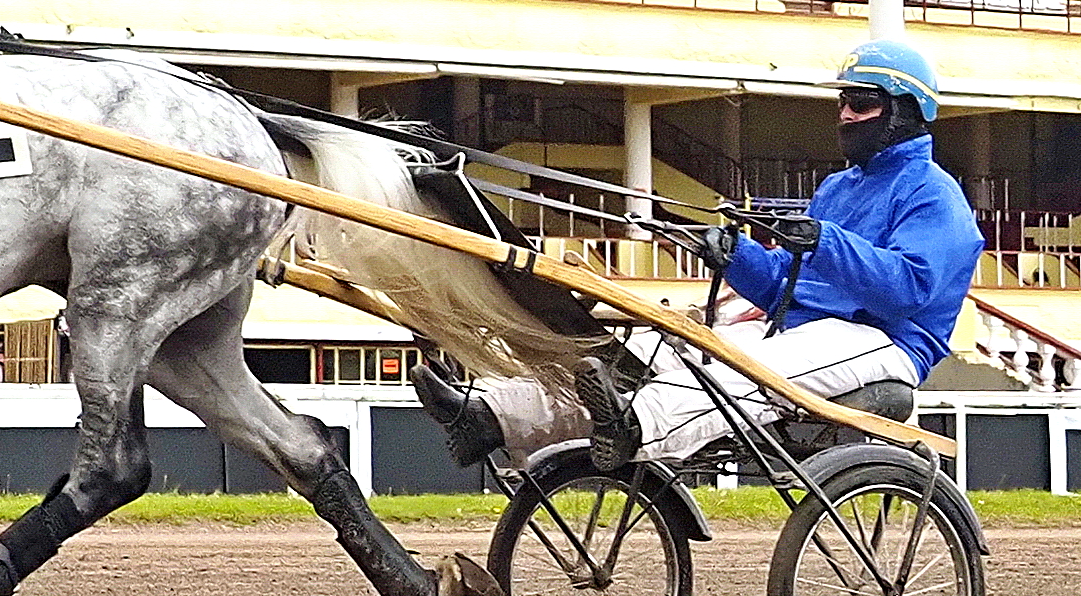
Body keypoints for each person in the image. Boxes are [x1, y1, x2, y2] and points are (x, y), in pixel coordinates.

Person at [414, 40, 985, 470]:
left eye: (860, 103)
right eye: (842, 101)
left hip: (885, 344)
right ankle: (491, 415)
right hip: (802, 329)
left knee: (739, 374)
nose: (843, 115)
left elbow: (911, 288)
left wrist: (825, 241)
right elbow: (790, 285)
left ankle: (636, 430)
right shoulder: (838, 189)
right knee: (652, 352)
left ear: (906, 111)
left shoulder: (936, 196)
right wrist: (733, 256)